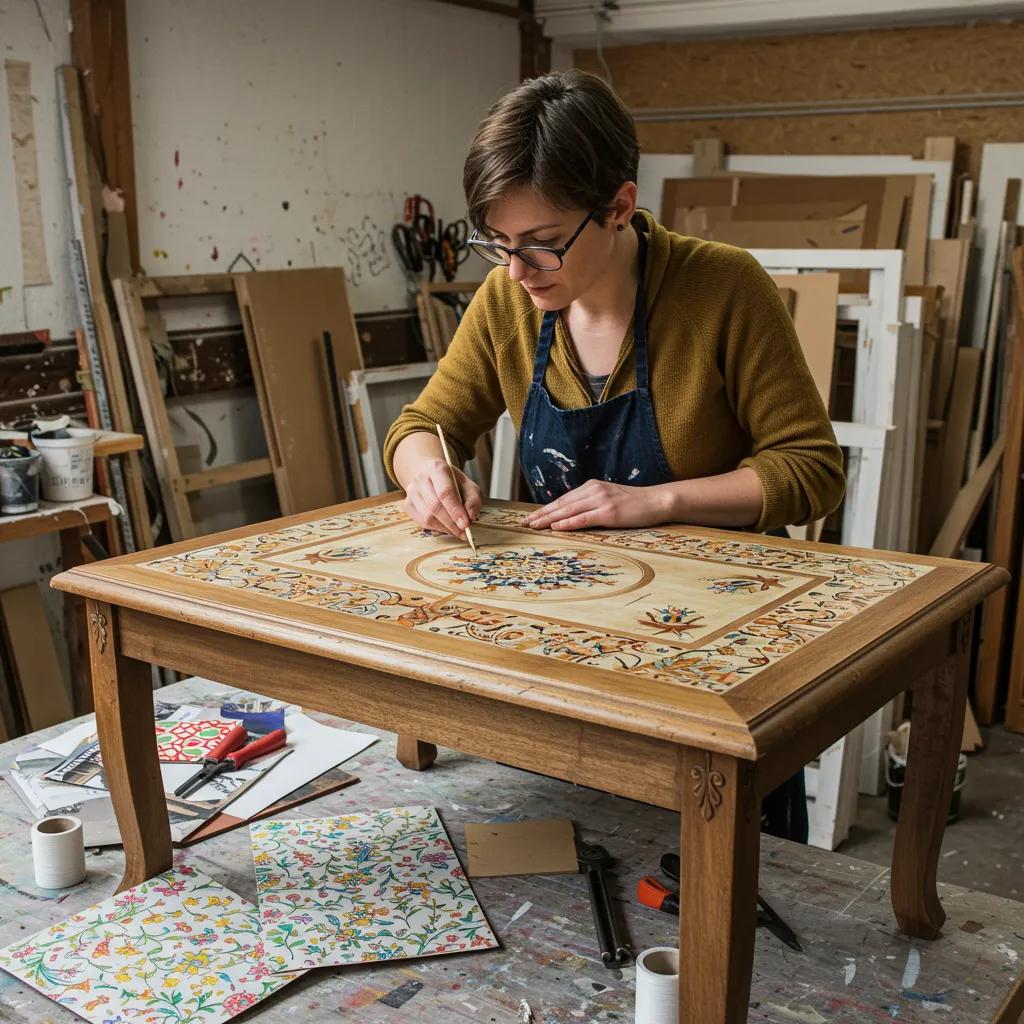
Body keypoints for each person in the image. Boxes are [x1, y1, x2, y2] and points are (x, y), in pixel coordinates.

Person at [383, 70, 845, 842]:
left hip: (712, 648)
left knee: (721, 868)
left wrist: (657, 500)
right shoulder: (506, 300)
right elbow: (422, 422)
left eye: (542, 245)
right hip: (565, 638)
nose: (517, 271)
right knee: (566, 850)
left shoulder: (723, 288)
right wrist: (427, 472)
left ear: (620, 206)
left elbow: (811, 467)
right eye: (498, 244)